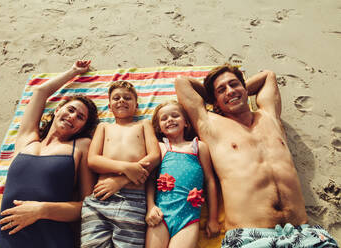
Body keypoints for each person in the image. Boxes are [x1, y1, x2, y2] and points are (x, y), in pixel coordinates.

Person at [174, 64, 339, 247]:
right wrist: (218, 98)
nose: (230, 91)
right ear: (214, 101)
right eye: (222, 89)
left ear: (245, 88)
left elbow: (268, 76)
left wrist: (236, 92)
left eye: (234, 84)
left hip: (302, 233)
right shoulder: (210, 125)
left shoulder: (269, 117)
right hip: (250, 237)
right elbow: (182, 83)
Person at [0, 60, 99, 248]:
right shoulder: (27, 139)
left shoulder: (81, 146)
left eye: (80, 117)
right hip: (9, 237)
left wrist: (41, 210)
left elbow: (87, 205)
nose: (72, 116)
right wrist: (73, 71)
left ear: (83, 127)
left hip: (50, 238)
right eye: (70, 109)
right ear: (57, 110)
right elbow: (40, 93)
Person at [81, 81, 160, 248]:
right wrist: (126, 168)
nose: (122, 100)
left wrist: (121, 180)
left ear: (136, 105)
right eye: (116, 98)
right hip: (100, 199)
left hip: (133, 201)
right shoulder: (104, 127)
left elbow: (154, 156)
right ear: (109, 106)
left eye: (127, 98)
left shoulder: (143, 124)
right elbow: (93, 160)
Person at [145, 100, 220, 248]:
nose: (170, 120)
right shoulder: (160, 148)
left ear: (186, 122)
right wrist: (151, 206)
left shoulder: (198, 147)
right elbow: (151, 179)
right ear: (159, 127)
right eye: (164, 118)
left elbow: (210, 181)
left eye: (175, 115)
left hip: (189, 218)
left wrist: (213, 219)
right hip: (161, 215)